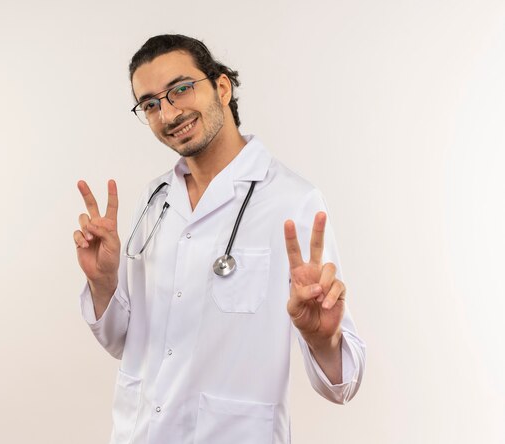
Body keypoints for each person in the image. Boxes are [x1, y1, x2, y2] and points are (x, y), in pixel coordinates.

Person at [73, 34, 365, 444]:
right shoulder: (156, 199)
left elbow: (344, 382)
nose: (169, 113)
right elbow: (125, 342)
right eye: (151, 104)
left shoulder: (292, 200)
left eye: (180, 89)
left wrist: (323, 337)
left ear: (222, 87)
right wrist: (103, 282)